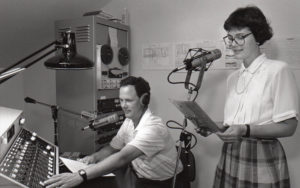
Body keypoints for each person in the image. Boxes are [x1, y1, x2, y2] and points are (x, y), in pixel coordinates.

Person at [213, 5, 299, 188]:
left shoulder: (278, 70)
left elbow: (289, 127)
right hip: (230, 152)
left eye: (240, 37)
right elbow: (237, 121)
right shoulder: (233, 78)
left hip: (262, 155)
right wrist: (213, 126)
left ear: (258, 37)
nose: (232, 44)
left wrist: (245, 130)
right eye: (230, 37)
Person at [44, 76, 183, 188]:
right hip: (139, 175)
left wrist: (81, 175)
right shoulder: (130, 120)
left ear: (144, 99)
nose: (123, 105)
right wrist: (94, 157)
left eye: (128, 100)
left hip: (165, 183)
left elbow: (122, 157)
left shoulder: (153, 128)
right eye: (121, 100)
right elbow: (113, 148)